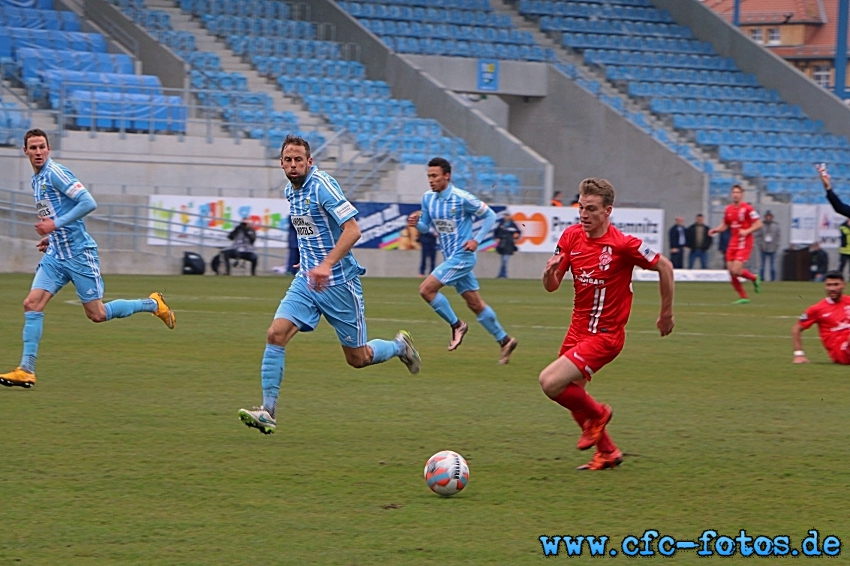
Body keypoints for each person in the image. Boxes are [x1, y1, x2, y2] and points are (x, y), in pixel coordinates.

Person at [238, 135, 420, 435]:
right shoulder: (289, 191)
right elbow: (309, 229)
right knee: (275, 333)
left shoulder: (323, 186)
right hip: (307, 281)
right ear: (281, 163)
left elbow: (352, 231)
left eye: (299, 160)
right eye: (288, 160)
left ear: (310, 162)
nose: (293, 165)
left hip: (339, 284)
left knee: (358, 359)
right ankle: (268, 411)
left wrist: (326, 265)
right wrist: (308, 260)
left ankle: (400, 346)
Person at [0, 129, 175, 389]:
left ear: (49, 149)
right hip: (57, 254)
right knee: (32, 303)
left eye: (42, 147)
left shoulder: (56, 173)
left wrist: (54, 224)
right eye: (33, 148)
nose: (38, 152)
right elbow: (57, 214)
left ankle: (152, 304)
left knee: (97, 314)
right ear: (25, 151)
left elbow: (88, 202)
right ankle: (26, 369)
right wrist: (52, 236)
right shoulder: (36, 181)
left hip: (80, 255)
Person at [539, 178, 675, 471]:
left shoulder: (623, 245)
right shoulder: (571, 236)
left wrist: (666, 314)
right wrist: (548, 273)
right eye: (580, 208)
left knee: (549, 382)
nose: (584, 215)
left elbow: (665, 266)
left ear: (608, 210)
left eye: (591, 209)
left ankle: (600, 414)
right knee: (573, 395)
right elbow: (552, 286)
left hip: (605, 335)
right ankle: (608, 452)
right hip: (577, 329)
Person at [407, 157, 518, 363]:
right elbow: (426, 227)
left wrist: (476, 240)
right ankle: (505, 340)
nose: (431, 180)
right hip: (450, 257)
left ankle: (457, 325)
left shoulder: (461, 198)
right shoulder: (428, 199)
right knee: (474, 303)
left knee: (426, 290)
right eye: (429, 176)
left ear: (446, 176)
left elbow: (491, 215)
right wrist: (417, 224)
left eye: (435, 176)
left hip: (462, 257)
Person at [708, 184, 763, 303]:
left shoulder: (748, 209)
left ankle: (754, 277)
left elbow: (759, 224)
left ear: (742, 195)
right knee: (731, 272)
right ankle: (743, 297)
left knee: (736, 270)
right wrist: (716, 230)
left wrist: (747, 231)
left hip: (744, 242)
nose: (735, 195)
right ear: (731, 194)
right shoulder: (728, 209)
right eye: (734, 192)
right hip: (733, 242)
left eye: (738, 192)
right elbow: (726, 224)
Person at [791, 270, 850, 364]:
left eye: (836, 284)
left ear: (843, 285)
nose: (832, 288)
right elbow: (796, 329)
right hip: (840, 351)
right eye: (829, 285)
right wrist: (799, 355)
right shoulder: (817, 309)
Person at [494, 211, 522, 278]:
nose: (505, 217)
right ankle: (502, 274)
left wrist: (516, 236)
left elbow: (518, 233)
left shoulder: (513, 225)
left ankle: (502, 274)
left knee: (505, 260)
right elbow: (496, 232)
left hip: (509, 244)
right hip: (502, 245)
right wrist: (497, 238)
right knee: (503, 260)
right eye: (505, 215)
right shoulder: (501, 224)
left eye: (507, 215)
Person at [755, 210, 780, 282]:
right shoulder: (761, 225)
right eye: (767, 216)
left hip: (773, 247)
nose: (768, 218)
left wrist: (776, 245)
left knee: (773, 266)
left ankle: (773, 279)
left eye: (769, 216)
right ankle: (761, 278)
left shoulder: (776, 225)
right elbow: (757, 236)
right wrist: (760, 245)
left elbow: (778, 236)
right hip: (763, 247)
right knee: (762, 265)